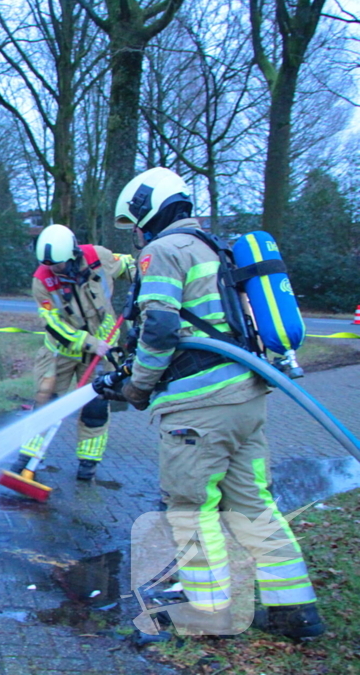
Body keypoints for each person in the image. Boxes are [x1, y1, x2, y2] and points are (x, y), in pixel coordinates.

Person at [102, 167, 323, 638]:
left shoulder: (162, 251)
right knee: (253, 505)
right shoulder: (214, 248)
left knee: (190, 506)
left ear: (149, 210)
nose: (137, 235)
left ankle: (209, 612)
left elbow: (160, 330)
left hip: (199, 407)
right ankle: (295, 610)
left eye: (135, 223)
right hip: (246, 399)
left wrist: (136, 388)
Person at [10, 224, 135, 481]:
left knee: (96, 407)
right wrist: (89, 342)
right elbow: (53, 323)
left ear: (72, 253)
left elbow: (128, 266)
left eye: (57, 265)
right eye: (48, 265)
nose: (52, 270)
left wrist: (143, 280)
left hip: (103, 352)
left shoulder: (97, 257)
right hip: (62, 352)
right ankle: (28, 457)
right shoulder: (42, 280)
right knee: (46, 402)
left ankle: (88, 463)